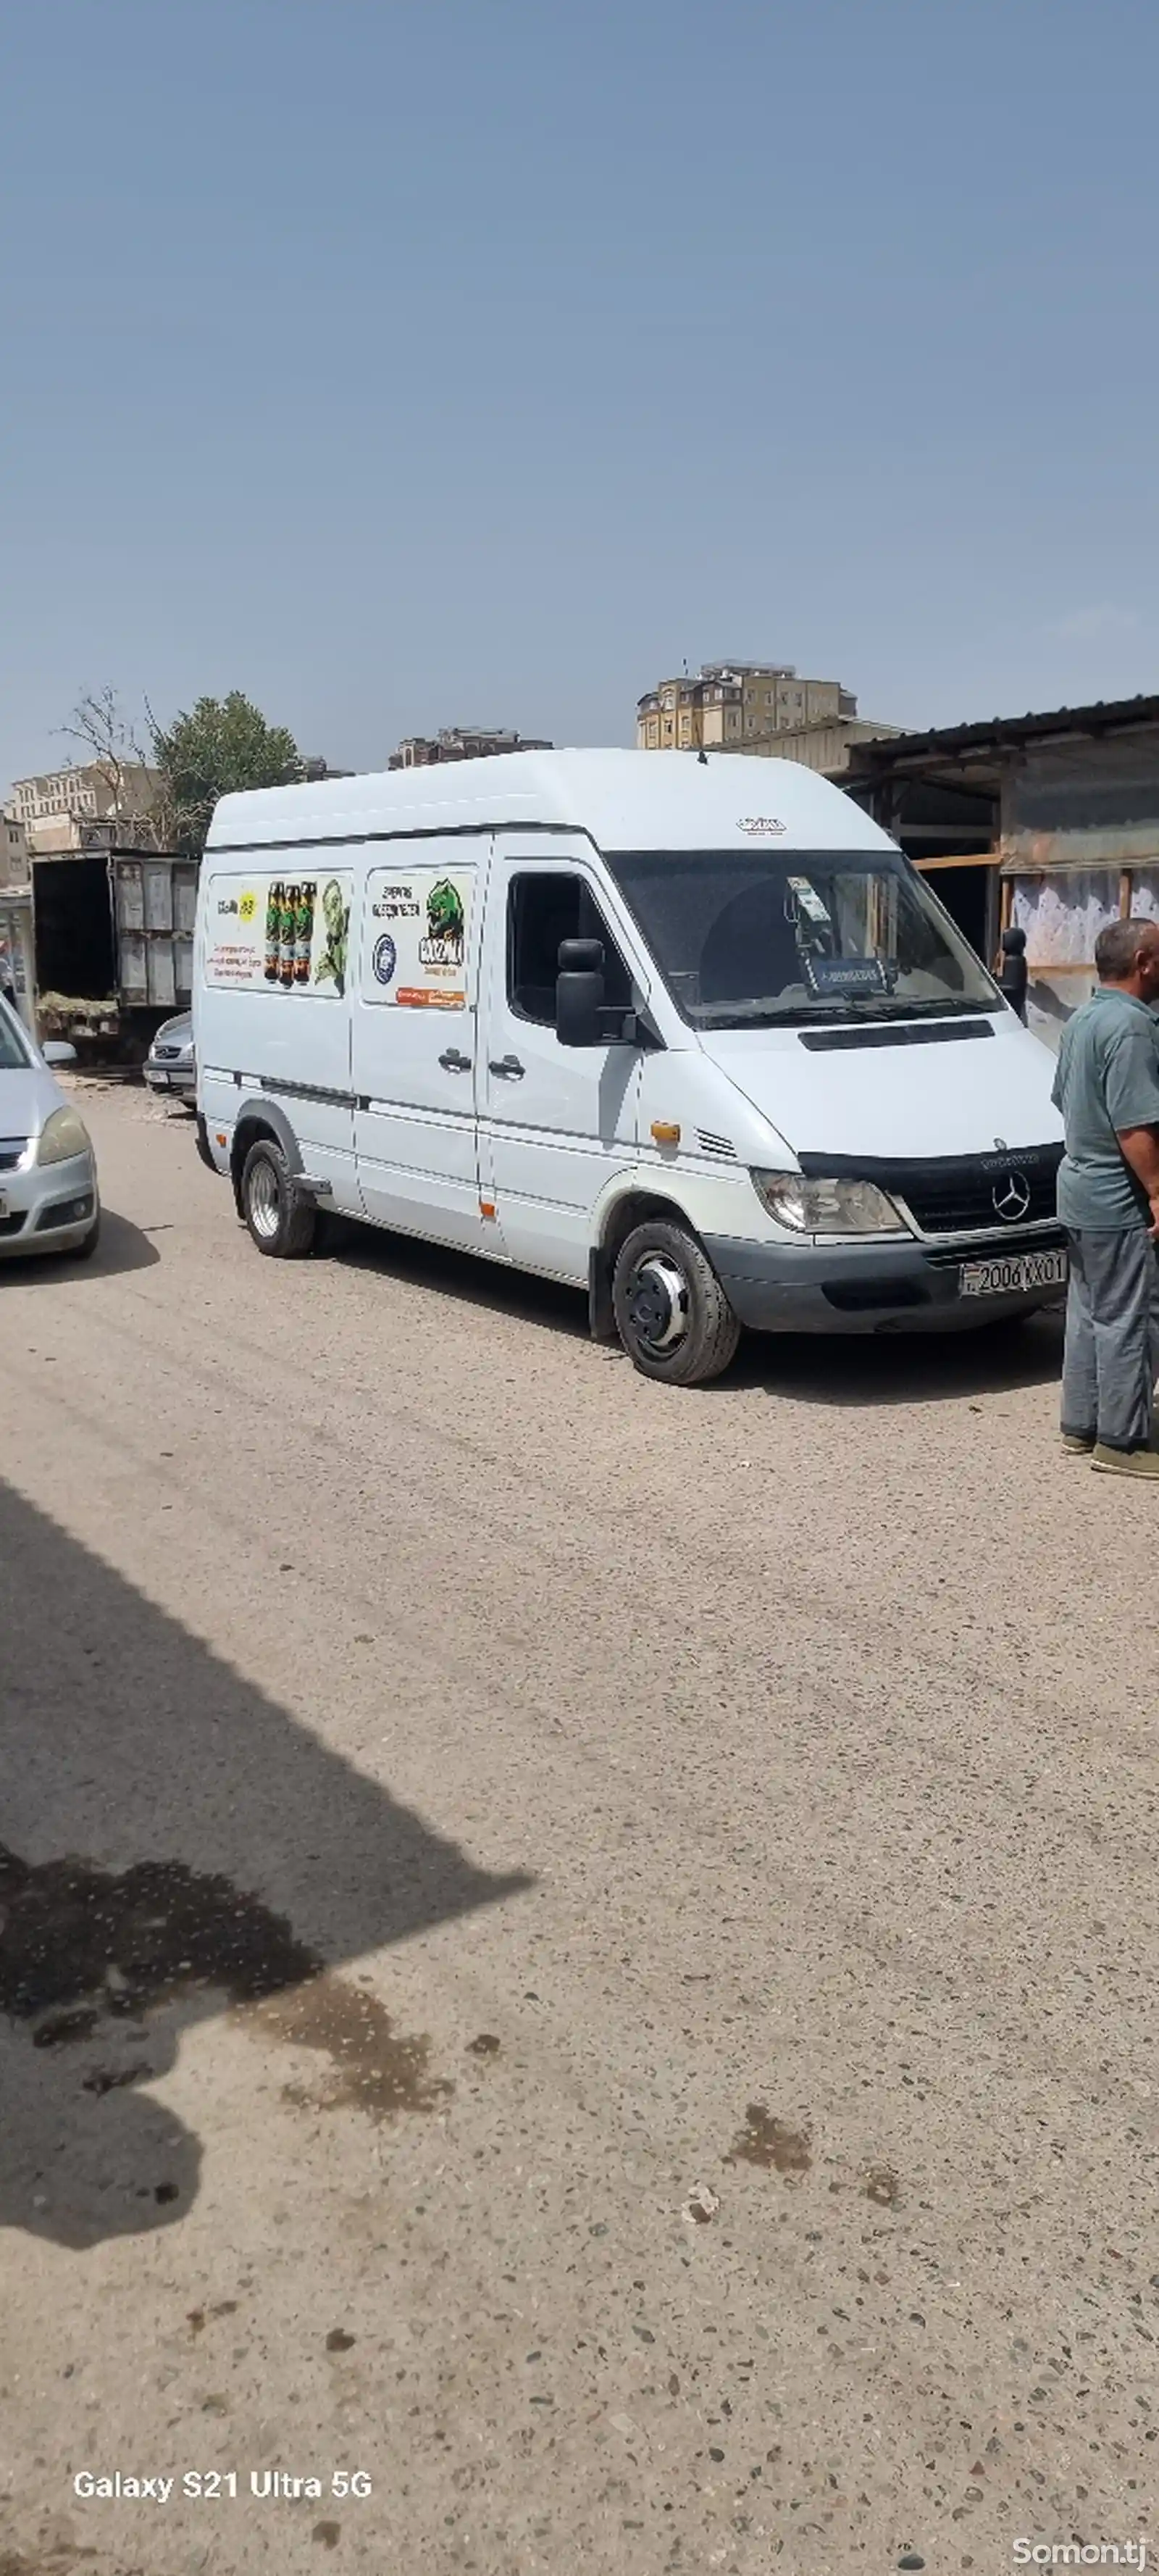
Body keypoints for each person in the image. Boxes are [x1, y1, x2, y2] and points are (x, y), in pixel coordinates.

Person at [1053, 915, 1159, 1476]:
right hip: (1118, 1197)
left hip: (1077, 1189)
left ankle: (1082, 1426)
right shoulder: (1133, 1027)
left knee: (1088, 1312)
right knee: (1130, 1316)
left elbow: (1061, 1098)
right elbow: (1135, 1126)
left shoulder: (1082, 1018)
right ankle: (1123, 1441)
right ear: (1143, 963)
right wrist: (1158, 1191)